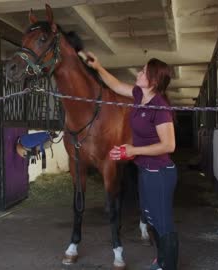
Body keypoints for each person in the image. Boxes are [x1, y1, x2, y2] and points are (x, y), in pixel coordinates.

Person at [85, 52, 179, 270]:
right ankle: (161, 259)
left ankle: (168, 265)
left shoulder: (160, 107)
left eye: (144, 71)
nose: (139, 73)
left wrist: (133, 149)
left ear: (154, 81)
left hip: (161, 173)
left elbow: (169, 146)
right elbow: (116, 85)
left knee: (163, 223)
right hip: (145, 171)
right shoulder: (139, 95)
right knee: (150, 218)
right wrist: (98, 66)